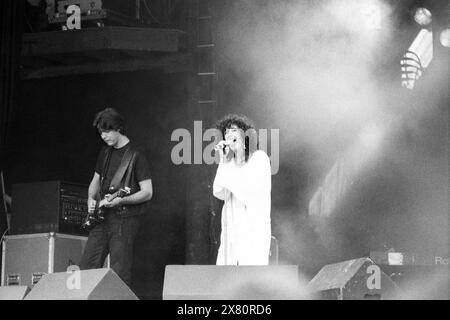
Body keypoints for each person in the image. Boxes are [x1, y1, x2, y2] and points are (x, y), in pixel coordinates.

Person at [79, 108, 153, 287]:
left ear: (118, 128)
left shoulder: (136, 156)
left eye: (106, 131)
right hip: (101, 218)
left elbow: (148, 192)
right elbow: (95, 180)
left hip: (124, 220)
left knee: (119, 273)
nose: (103, 136)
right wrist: (91, 199)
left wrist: (122, 200)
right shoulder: (104, 153)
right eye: (101, 133)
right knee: (86, 269)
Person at [213, 114, 272, 265]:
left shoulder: (259, 158)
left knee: (250, 282)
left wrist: (236, 157)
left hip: (253, 233)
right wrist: (223, 160)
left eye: (233, 130)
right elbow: (219, 191)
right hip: (231, 236)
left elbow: (249, 191)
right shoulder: (229, 163)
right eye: (226, 132)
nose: (228, 134)